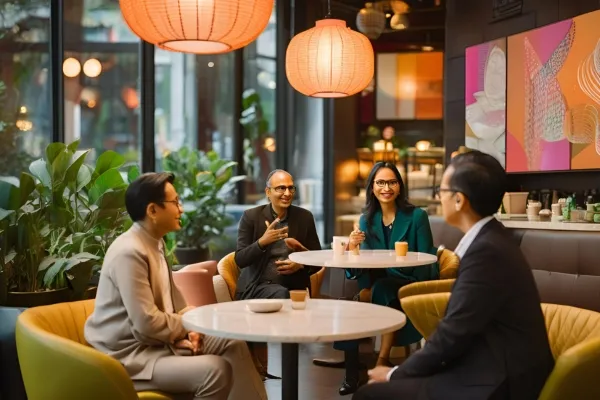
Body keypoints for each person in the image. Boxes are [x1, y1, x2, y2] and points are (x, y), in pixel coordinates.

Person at [353, 151, 554, 400]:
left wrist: (395, 373)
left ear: (459, 200)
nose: (439, 195)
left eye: (442, 190)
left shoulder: (486, 252)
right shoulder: (492, 239)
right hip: (493, 363)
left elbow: (452, 334)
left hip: (501, 380)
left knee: (368, 395)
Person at [85, 172, 267, 400]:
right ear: (152, 210)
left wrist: (193, 329)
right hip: (129, 356)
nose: (181, 209)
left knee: (233, 342)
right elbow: (146, 323)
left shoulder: (156, 242)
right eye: (175, 202)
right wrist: (184, 329)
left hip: (155, 343)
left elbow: (176, 302)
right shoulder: (129, 252)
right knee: (215, 370)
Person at [316, 161, 438, 396]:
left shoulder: (417, 217)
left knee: (381, 287)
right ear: (372, 187)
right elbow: (361, 267)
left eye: (392, 182)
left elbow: (426, 262)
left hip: (412, 284)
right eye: (380, 182)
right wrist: (353, 248)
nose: (386, 187)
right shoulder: (366, 221)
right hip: (379, 285)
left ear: (399, 187)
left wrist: (385, 277)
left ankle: (380, 360)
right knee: (348, 303)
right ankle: (352, 374)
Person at [234, 169, 322, 300]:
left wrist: (300, 264)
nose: (287, 193)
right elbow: (240, 259)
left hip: (294, 285)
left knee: (285, 294)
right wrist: (262, 242)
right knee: (281, 294)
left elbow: (317, 260)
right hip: (258, 286)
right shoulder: (251, 217)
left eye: (291, 188)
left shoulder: (304, 217)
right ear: (268, 192)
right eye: (281, 188)